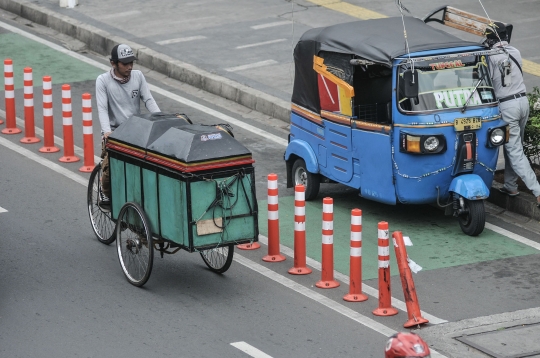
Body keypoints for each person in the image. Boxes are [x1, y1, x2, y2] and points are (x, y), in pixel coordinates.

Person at [96, 44, 161, 208]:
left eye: (131, 62)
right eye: (125, 64)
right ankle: (105, 193)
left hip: (136, 131)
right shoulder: (103, 81)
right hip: (115, 133)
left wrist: (161, 119)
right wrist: (106, 132)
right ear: (113, 63)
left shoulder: (138, 76)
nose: (130, 67)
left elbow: (148, 100)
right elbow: (102, 108)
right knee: (110, 170)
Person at [485, 22, 540, 207]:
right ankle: (510, 185)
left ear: (490, 39)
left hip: (507, 106)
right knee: (514, 147)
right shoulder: (515, 51)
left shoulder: (490, 57)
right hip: (523, 102)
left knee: (514, 151)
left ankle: (538, 191)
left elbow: (489, 82)